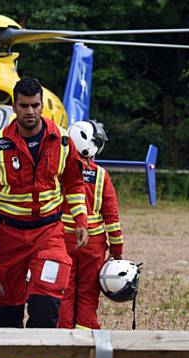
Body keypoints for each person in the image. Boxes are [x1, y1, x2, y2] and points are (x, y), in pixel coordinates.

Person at [0, 77, 89, 358]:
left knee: (46, 302)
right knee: (6, 307)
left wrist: (79, 219)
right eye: (24, 106)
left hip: (48, 233)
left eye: (35, 105)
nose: (30, 112)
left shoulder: (62, 141)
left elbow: (75, 183)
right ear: (14, 107)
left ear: (42, 105)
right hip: (6, 235)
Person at [58, 121, 124, 334]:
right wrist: (117, 250)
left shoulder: (60, 172)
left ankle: (63, 343)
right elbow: (112, 217)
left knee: (64, 292)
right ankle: (85, 342)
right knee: (88, 293)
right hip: (94, 246)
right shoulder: (102, 175)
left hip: (63, 240)